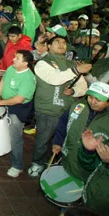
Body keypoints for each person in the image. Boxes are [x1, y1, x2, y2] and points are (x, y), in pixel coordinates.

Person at [28, 35, 91, 177]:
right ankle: (37, 163)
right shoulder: (43, 63)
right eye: (57, 42)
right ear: (49, 46)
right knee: (43, 139)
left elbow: (83, 87)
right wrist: (77, 71)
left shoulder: (72, 64)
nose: (61, 45)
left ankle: (54, 164)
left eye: (64, 43)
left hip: (67, 109)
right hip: (47, 108)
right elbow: (54, 79)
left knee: (62, 139)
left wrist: (74, 91)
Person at [53, 81, 109, 181]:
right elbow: (63, 123)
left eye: (98, 99)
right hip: (67, 160)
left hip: (86, 173)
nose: (92, 102)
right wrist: (58, 142)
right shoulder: (78, 105)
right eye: (90, 97)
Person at [0, 50, 36, 177]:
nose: (13, 59)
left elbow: (18, 99)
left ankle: (17, 165)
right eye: (15, 56)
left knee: (15, 137)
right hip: (5, 103)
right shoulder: (11, 68)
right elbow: (3, 81)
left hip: (18, 109)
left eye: (17, 58)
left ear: (25, 63)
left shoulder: (29, 79)